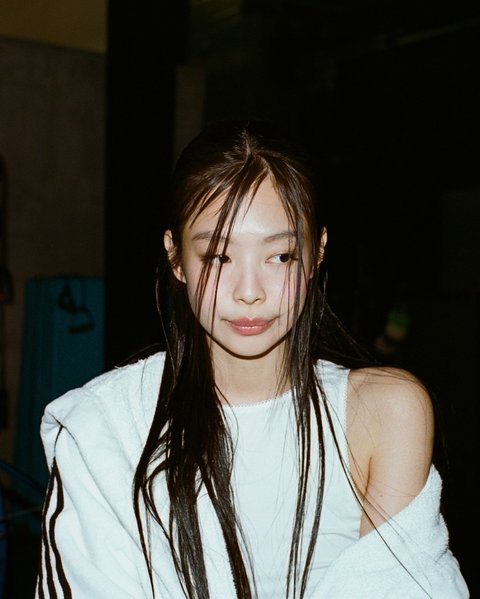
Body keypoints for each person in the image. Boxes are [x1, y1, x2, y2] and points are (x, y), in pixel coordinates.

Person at [35, 119, 469, 598]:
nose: (248, 292)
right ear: (176, 257)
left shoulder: (383, 413)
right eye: (218, 258)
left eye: (280, 256)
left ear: (318, 252)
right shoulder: (106, 426)